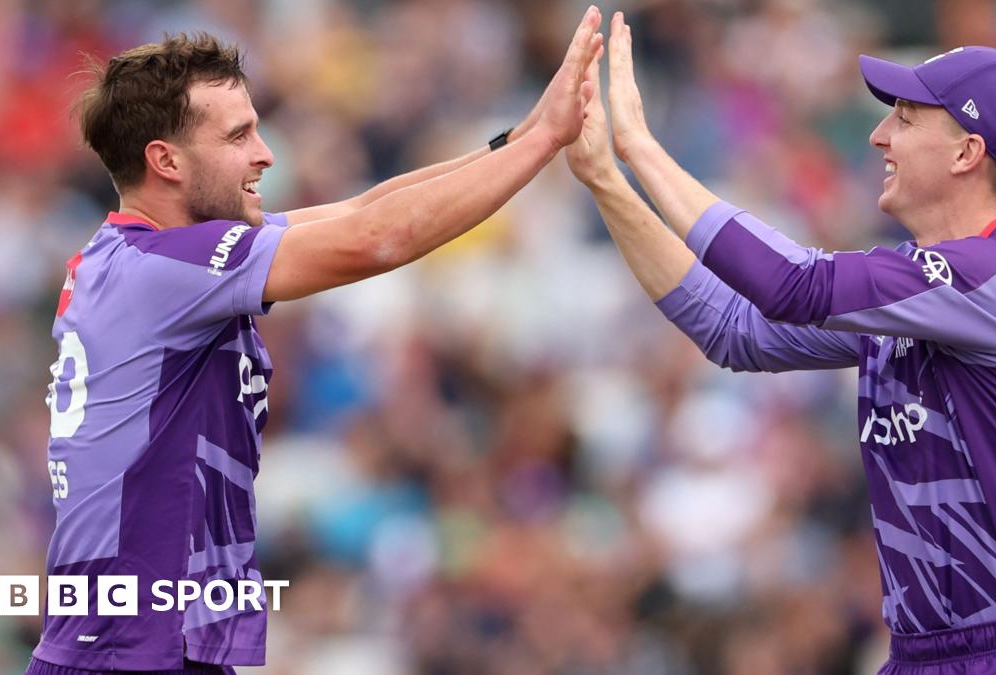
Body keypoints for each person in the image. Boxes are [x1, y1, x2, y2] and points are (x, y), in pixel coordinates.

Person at [32, 8, 603, 674]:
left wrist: (525, 134)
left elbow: (362, 210)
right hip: (129, 651)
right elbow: (378, 239)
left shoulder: (149, 259)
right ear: (165, 160)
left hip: (143, 643)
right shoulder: (168, 269)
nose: (265, 153)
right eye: (239, 134)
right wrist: (543, 147)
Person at [565, 12, 996, 674]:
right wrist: (606, 179)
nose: (879, 136)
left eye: (906, 119)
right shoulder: (919, 289)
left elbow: (790, 284)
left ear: (966, 153)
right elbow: (733, 329)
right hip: (920, 654)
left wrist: (643, 149)